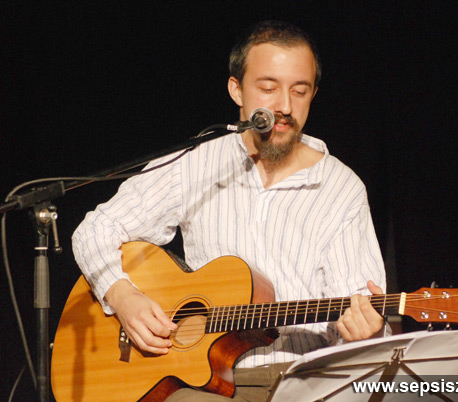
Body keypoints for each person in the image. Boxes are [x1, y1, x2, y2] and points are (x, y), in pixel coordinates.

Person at [72, 20, 387, 401]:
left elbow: (361, 322)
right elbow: (95, 230)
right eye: (268, 88)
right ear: (237, 90)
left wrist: (367, 333)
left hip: (300, 382)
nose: (285, 107)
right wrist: (123, 297)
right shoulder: (197, 162)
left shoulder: (341, 189)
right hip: (199, 382)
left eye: (299, 91)